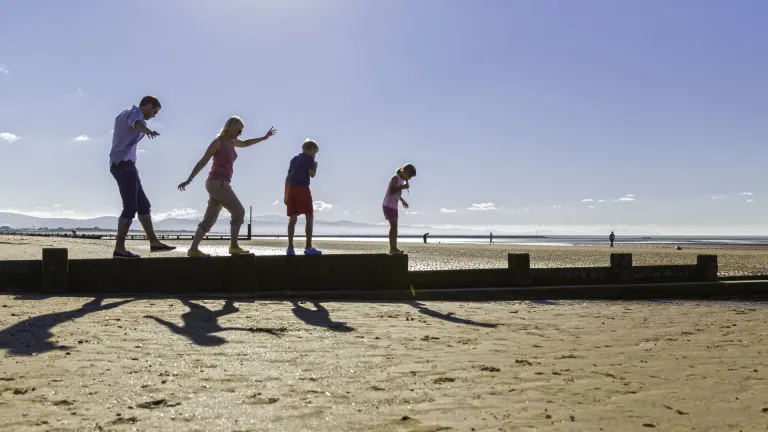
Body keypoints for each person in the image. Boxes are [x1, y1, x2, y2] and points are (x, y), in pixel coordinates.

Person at [178, 117, 276, 257]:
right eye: (239, 130)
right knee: (239, 212)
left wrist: (264, 138)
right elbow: (203, 161)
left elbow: (246, 143)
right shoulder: (217, 142)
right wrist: (189, 179)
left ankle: (193, 249)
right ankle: (234, 246)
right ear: (230, 127)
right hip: (218, 184)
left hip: (218, 184)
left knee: (209, 219)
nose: (241, 133)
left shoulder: (232, 142)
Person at [109, 96, 175, 259]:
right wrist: (146, 130)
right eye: (154, 111)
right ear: (148, 105)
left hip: (125, 165)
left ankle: (154, 242)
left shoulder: (125, 114)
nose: (154, 115)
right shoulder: (133, 114)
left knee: (144, 205)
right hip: (123, 165)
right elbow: (136, 123)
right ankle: (119, 249)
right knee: (130, 207)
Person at [285, 139, 322, 255]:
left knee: (292, 219)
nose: (315, 155)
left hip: (292, 189)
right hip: (303, 189)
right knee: (309, 216)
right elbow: (312, 174)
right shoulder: (309, 158)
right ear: (311, 150)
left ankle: (290, 247)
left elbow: (288, 178)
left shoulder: (294, 159)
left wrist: (286, 195)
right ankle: (308, 246)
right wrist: (315, 166)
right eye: (315, 153)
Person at [383, 164, 417, 255]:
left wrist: (402, 201)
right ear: (403, 171)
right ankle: (392, 248)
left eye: (410, 177)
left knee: (395, 227)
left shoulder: (401, 180)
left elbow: (397, 193)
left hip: (394, 206)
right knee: (393, 226)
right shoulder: (396, 178)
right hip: (388, 205)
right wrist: (402, 187)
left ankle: (394, 248)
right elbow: (391, 191)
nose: (409, 178)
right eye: (409, 176)